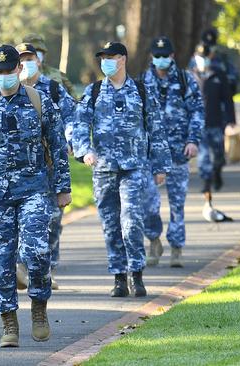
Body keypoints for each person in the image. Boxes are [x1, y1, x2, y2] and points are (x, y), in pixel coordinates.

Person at [0, 45, 72, 347]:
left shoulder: (39, 101)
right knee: (3, 262)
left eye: (10, 71)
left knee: (36, 253)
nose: (5, 76)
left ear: (20, 70)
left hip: (34, 189)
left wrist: (62, 187)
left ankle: (39, 306)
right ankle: (8, 321)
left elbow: (58, 146)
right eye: (0, 72)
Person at [72, 41, 171, 298]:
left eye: (111, 57)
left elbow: (156, 129)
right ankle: (118, 277)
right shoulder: (93, 92)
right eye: (103, 57)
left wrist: (160, 165)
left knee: (131, 221)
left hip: (134, 167)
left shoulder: (141, 90)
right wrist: (85, 151)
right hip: (104, 169)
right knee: (110, 224)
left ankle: (136, 273)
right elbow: (79, 124)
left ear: (123, 59)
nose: (106, 61)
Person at [15, 42, 77, 290]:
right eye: (22, 59)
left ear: (38, 60)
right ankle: (22, 266)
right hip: (21, 168)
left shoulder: (53, 88)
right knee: (24, 219)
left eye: (30, 58)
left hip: (50, 165)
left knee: (52, 220)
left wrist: (70, 139)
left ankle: (47, 270)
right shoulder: (10, 90)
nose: (27, 63)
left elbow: (72, 115)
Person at [141, 36, 205, 267]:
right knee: (148, 202)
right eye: (156, 56)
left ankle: (176, 247)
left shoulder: (185, 80)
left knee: (177, 203)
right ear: (151, 56)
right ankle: (153, 239)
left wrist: (193, 140)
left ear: (172, 56)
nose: (160, 60)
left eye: (164, 56)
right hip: (150, 154)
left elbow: (197, 111)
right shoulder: (142, 81)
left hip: (179, 152)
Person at [193, 43, 236, 193]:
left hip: (217, 122)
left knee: (218, 154)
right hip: (198, 124)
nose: (203, 60)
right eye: (200, 57)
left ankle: (217, 173)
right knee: (203, 155)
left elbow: (227, 99)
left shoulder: (219, 75)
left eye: (205, 57)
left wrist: (231, 121)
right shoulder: (191, 76)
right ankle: (206, 181)